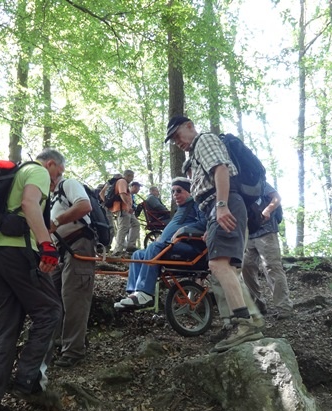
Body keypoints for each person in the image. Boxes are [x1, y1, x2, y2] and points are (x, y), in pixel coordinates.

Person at [0, 148, 64, 411]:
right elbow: (29, 204)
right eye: (59, 172)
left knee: (2, 326)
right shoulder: (37, 171)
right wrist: (46, 246)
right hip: (16, 252)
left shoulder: (8, 178)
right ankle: (28, 383)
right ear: (52, 163)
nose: (57, 179)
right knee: (50, 312)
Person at [165, 115, 265, 351]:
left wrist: (221, 206)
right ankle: (241, 322)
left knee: (219, 265)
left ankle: (244, 324)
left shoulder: (204, 141)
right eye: (173, 139)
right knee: (224, 266)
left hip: (222, 203)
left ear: (189, 126)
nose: (176, 141)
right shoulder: (195, 151)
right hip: (214, 208)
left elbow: (221, 170)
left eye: (177, 135)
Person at [114, 177, 206, 309]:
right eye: (173, 191)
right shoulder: (181, 209)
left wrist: (184, 230)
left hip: (191, 249)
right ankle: (134, 294)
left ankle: (145, 294)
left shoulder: (196, 204)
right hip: (171, 246)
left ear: (189, 192)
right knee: (138, 255)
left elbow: (204, 223)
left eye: (179, 191)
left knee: (154, 246)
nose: (175, 194)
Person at [49, 173, 96, 368]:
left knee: (74, 297)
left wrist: (57, 222)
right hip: (60, 250)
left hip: (79, 245)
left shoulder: (68, 184)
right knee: (52, 296)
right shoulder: (50, 196)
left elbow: (84, 206)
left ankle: (73, 351)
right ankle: (58, 343)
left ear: (53, 165)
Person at [242, 182, 294, 319]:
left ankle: (284, 307)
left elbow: (277, 197)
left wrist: (268, 210)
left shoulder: (259, 182)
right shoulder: (236, 185)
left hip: (267, 231)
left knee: (272, 267)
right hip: (249, 233)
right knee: (245, 267)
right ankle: (257, 304)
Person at [109, 169, 135, 256]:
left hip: (126, 209)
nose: (132, 179)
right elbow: (122, 194)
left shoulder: (125, 183)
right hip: (123, 209)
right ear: (128, 176)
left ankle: (130, 246)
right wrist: (128, 206)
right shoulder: (122, 181)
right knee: (123, 228)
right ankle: (117, 250)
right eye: (131, 177)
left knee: (135, 224)